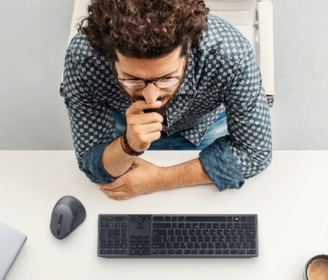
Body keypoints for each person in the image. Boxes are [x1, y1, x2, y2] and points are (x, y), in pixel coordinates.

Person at [62, 0, 272, 200]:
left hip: (204, 126)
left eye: (167, 78)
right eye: (132, 79)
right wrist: (128, 144)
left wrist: (161, 179)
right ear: (109, 57)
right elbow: (92, 163)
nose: (152, 99)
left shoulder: (230, 54)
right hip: (126, 126)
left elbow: (254, 153)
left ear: (188, 50)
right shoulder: (84, 59)